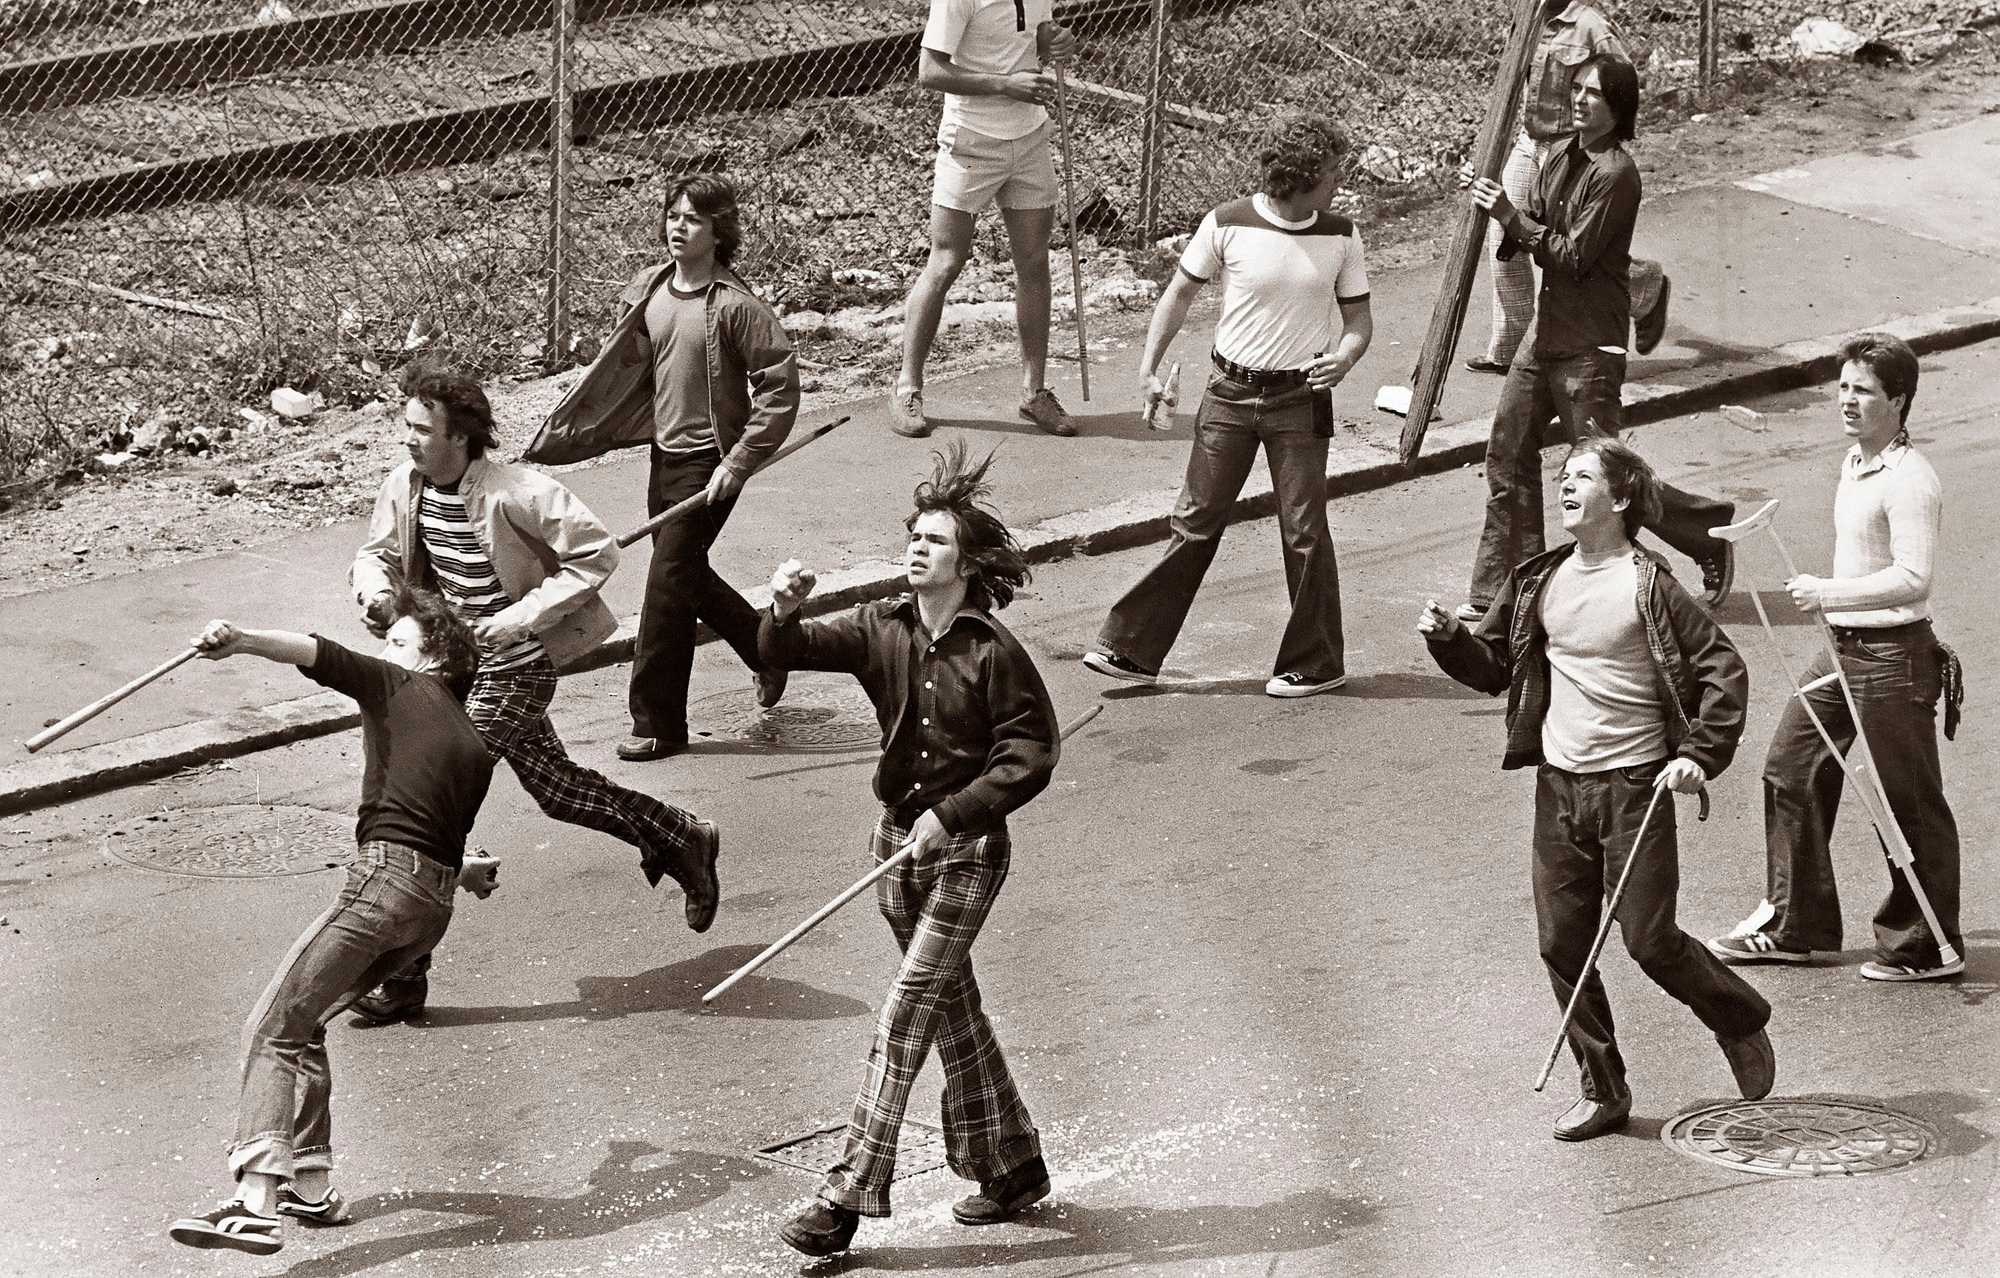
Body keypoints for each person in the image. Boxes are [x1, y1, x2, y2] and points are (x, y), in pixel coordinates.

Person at [1420, 437, 1775, 1142]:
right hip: (1559, 787)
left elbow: (1723, 671)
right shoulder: (1538, 579)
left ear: (1619, 499)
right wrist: (1450, 637)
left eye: (1581, 476)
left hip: (1633, 787)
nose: (1564, 485)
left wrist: (1699, 756)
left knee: (1649, 941)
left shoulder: (1650, 586)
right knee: (1562, 944)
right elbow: (1494, 667)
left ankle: (1737, 1017)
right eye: (1562, 475)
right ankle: (1603, 1087)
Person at [348, 359, 720, 1025]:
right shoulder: (405, 486)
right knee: (556, 790)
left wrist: (520, 616)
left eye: (421, 430)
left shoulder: (518, 490)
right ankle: (680, 834)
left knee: (433, 798)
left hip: (515, 666)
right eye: (404, 428)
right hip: (448, 668)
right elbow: (376, 553)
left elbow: (597, 553)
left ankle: (401, 975)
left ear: (459, 437)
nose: (408, 441)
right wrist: (378, 595)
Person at [759, 444, 1060, 1257]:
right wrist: (781, 611)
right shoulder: (879, 627)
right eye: (914, 536)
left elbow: (1031, 752)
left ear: (966, 566)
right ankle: (1013, 1165)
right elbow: (785, 653)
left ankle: (847, 1195)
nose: (917, 548)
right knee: (948, 1007)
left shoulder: (992, 650)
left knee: (904, 1013)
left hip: (966, 855)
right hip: (893, 848)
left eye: (935, 540)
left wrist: (955, 814)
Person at [167, 591, 496, 1255]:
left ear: (430, 654)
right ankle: (311, 1188)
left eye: (397, 642)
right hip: (429, 909)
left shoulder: (402, 683)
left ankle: (255, 1201)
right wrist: (465, 873)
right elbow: (436, 837)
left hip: (382, 888)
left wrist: (242, 638)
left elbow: (320, 654)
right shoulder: (469, 738)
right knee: (307, 1021)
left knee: (272, 1025)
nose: (384, 653)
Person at [1080, 115, 1371, 698]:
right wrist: (1147, 370)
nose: (1342, 178)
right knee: (1194, 524)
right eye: (1333, 169)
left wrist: (1345, 357)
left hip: (1301, 399)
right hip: (1229, 396)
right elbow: (1179, 294)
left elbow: (1359, 322)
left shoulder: (1342, 233)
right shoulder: (1227, 222)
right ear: (1302, 176)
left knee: (1305, 531)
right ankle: (1133, 651)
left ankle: (1316, 661)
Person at [1708, 332, 1964, 981]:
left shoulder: (1911, 480)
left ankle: (1925, 944)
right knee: (1789, 767)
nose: (1847, 401)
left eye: (1864, 391)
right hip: (1842, 647)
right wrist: (1836, 599)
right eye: (1843, 387)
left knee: (1906, 803)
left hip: (1893, 655)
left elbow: (1914, 577)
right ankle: (1796, 925)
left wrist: (1829, 591)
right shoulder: (1856, 464)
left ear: (1899, 400)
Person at [525, 174, 800, 763]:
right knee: (686, 575)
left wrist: (740, 461)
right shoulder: (650, 290)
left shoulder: (736, 307)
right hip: (664, 457)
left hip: (711, 465)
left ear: (719, 230)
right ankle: (769, 650)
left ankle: (658, 723)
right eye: (672, 215)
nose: (678, 226)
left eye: (693, 219)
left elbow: (779, 389)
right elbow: (622, 368)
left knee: (666, 589)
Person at [1462, 53, 1733, 626]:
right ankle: (1506, 591)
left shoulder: (1615, 174)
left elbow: (1573, 256)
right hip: (1547, 334)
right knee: (1507, 453)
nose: (1580, 99)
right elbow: (1535, 221)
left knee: (1607, 478)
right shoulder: (1561, 151)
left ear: (1619, 110)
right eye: (1577, 89)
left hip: (1592, 347)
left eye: (1595, 94)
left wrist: (1510, 217)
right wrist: (1495, 205)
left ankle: (1706, 533)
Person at [886, 0, 1081, 439]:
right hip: (970, 141)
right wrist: (1004, 85)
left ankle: (1034, 393)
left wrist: (1053, 40)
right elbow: (929, 71)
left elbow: (1031, 37)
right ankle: (907, 388)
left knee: (1033, 262)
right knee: (946, 260)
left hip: (1030, 139)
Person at [1468, 0, 1672, 376]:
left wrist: (1601, 143)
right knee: (1505, 233)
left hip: (1572, 146)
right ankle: (1511, 348)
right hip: (1531, 142)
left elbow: (1621, 84)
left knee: (1568, 245)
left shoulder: (1591, 26)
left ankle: (1643, 284)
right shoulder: (1530, 18)